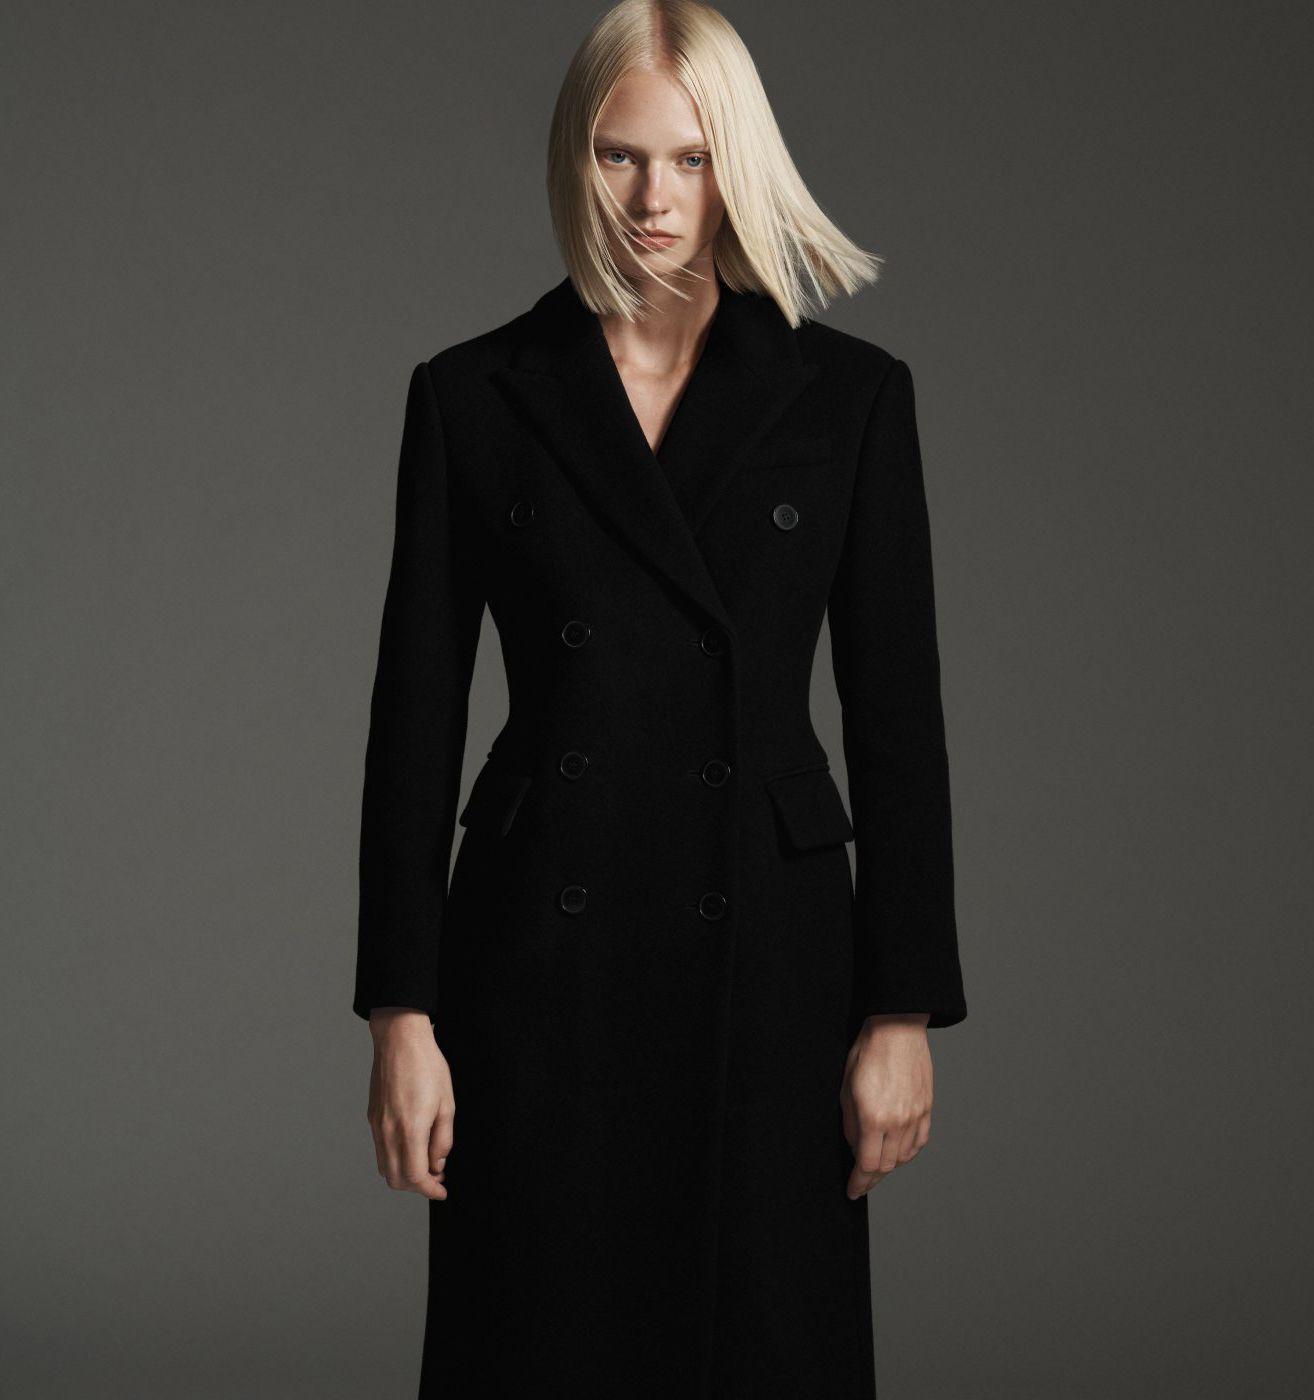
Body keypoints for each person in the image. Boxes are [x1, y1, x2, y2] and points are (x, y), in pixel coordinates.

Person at [353, 1, 968, 1394]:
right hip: (537, 963)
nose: (653, 200)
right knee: (538, 1345)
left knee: (760, 1345)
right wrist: (402, 1014)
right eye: (621, 156)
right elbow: (412, 726)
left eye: (691, 159)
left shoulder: (848, 399)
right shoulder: (475, 395)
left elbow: (899, 722)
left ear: (737, 165)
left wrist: (901, 1014)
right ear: (575, 159)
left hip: (771, 960)